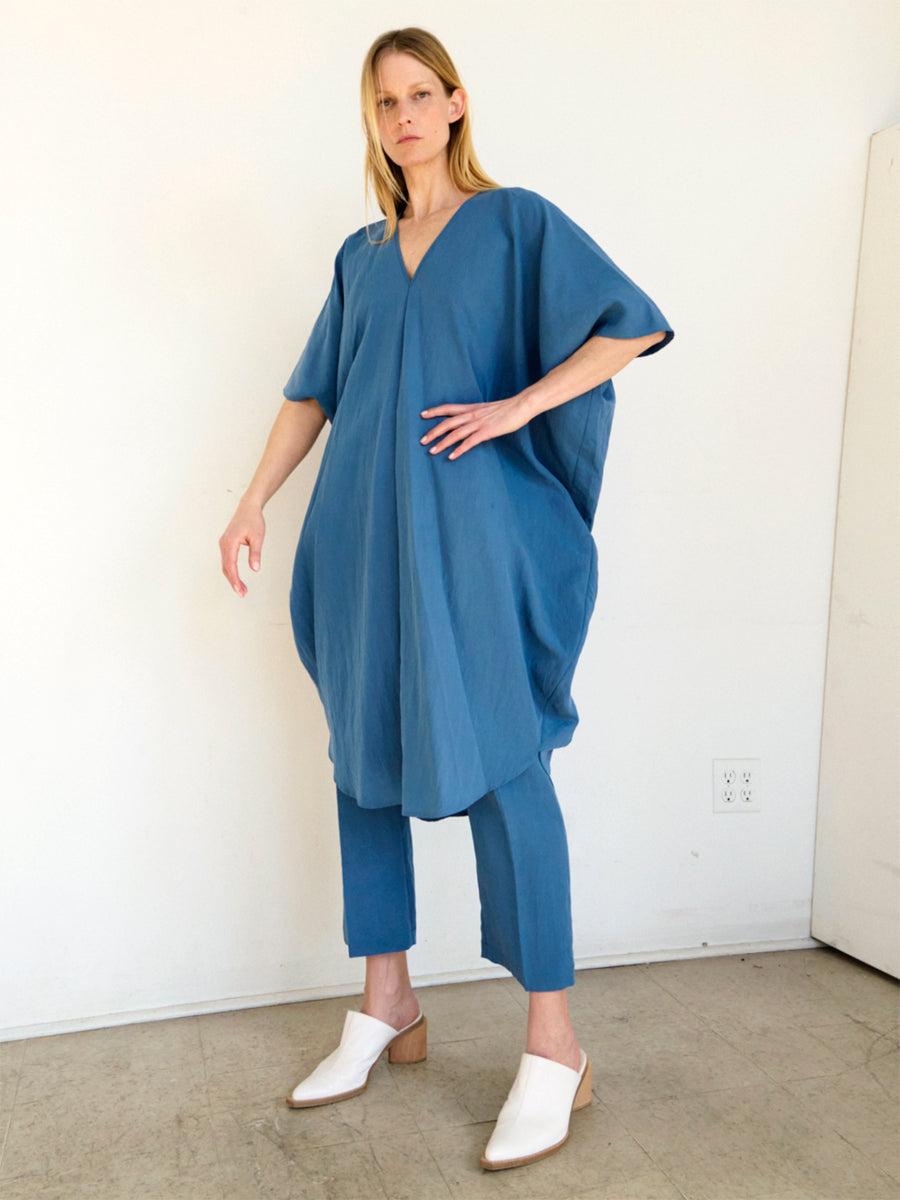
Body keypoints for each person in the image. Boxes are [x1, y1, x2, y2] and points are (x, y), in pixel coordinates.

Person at [219, 26, 672, 1171]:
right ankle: (387, 1003)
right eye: (386, 102)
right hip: (360, 541)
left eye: (423, 94)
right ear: (373, 122)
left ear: (458, 104)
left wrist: (518, 409)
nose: (407, 115)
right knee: (360, 760)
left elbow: (634, 323)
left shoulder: (516, 225)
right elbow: (311, 392)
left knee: (505, 762)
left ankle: (555, 1042)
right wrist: (253, 500)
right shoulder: (360, 257)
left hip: (473, 548)